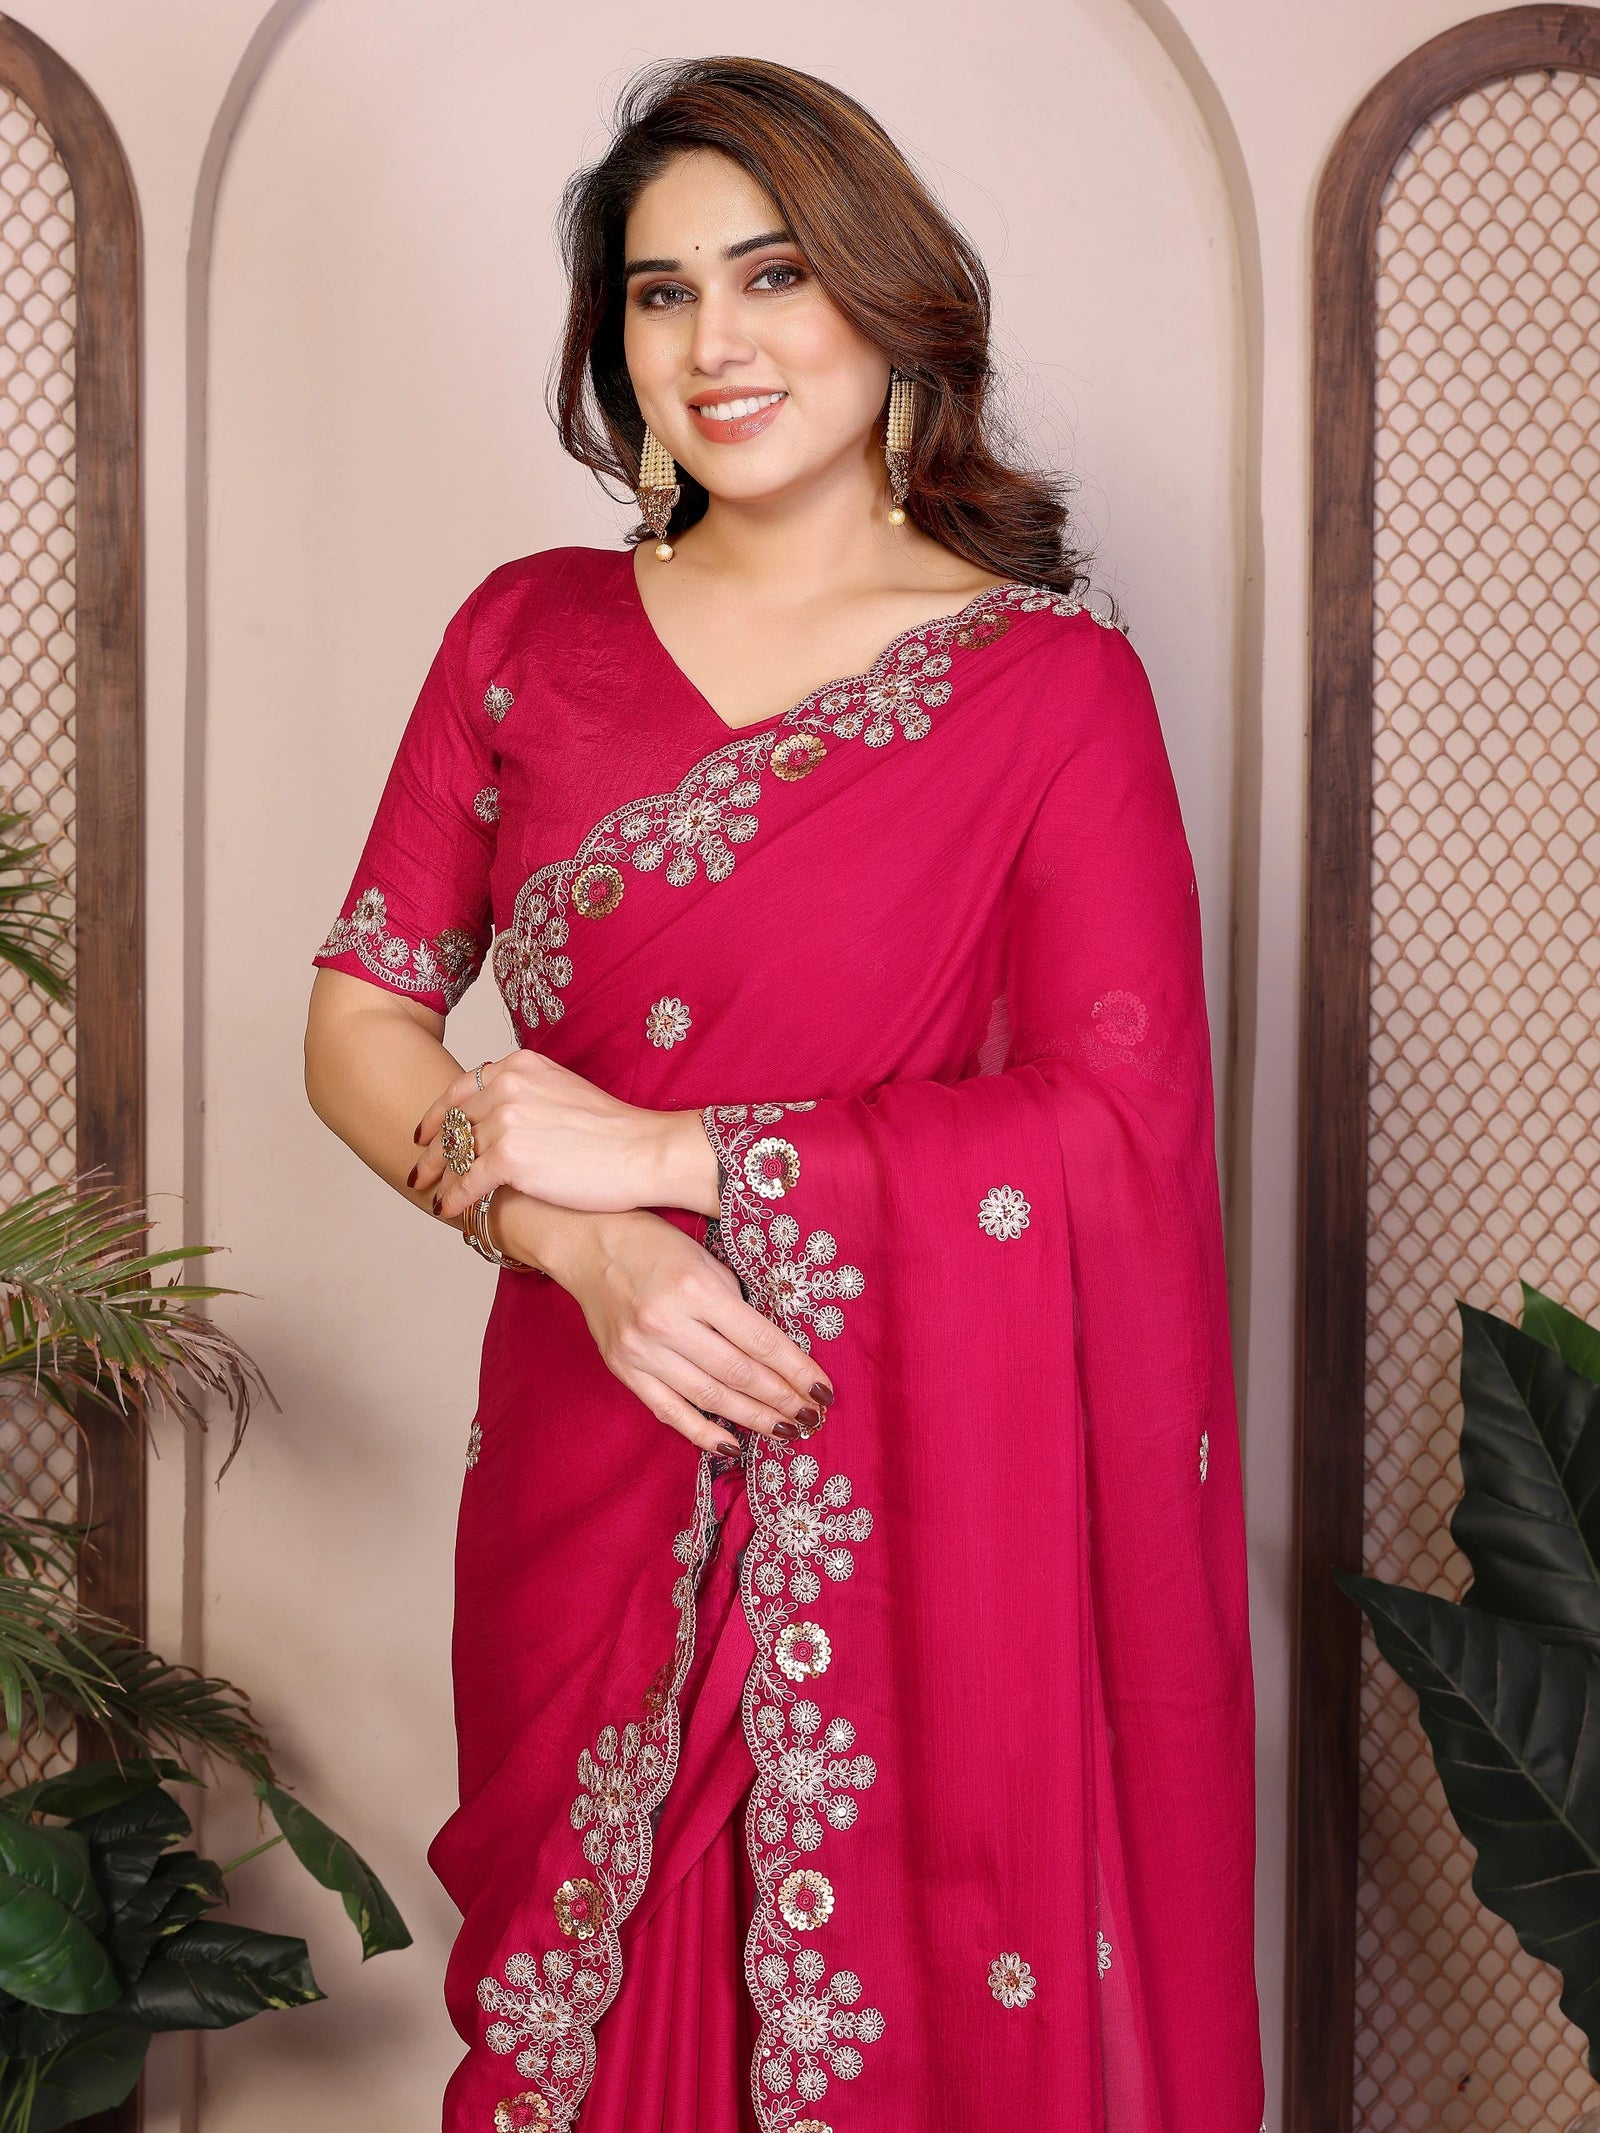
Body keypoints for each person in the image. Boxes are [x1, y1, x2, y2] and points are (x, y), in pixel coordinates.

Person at [304, 53, 1264, 2133]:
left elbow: (1110, 1137)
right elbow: (362, 1020)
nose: (715, 342)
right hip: (588, 1441)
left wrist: (672, 1151)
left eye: (768, 276)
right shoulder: (523, 637)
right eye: (657, 296)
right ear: (612, 345)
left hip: (915, 1484)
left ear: (881, 299)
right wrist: (575, 1241)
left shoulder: (1042, 690)